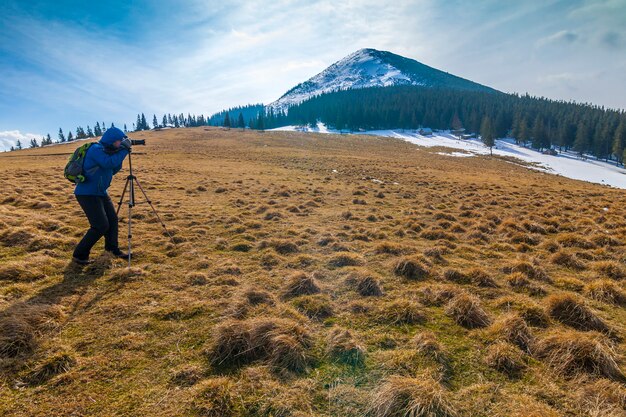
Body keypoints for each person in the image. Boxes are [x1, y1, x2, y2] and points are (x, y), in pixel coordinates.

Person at [72, 127, 132, 265]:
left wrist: (119, 151)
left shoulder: (106, 151)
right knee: (100, 225)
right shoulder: (96, 149)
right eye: (119, 141)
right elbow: (108, 163)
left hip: (100, 192)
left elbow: (113, 168)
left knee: (112, 220)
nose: (120, 143)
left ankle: (112, 250)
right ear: (112, 140)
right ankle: (79, 255)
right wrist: (123, 151)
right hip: (87, 193)